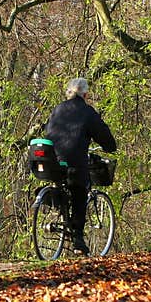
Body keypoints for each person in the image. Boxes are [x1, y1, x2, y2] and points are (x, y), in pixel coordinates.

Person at [44, 77, 117, 256]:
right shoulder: (87, 112)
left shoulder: (57, 109)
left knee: (63, 183)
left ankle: (57, 212)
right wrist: (110, 147)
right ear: (85, 94)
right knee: (79, 191)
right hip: (74, 161)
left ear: (69, 92)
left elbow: (48, 131)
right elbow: (102, 134)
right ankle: (78, 240)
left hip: (52, 160)